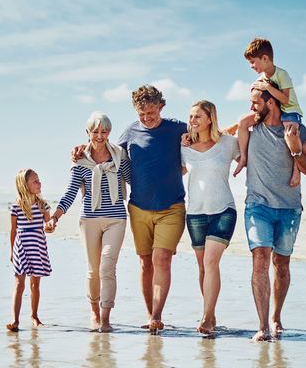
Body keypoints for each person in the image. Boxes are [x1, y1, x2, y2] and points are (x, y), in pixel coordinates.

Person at [72, 85, 187, 333]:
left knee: (162, 258)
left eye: (151, 113)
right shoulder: (130, 133)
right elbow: (104, 151)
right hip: (139, 208)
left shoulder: (177, 128)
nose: (147, 118)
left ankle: (157, 315)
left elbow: (207, 134)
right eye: (142, 114)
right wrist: (81, 149)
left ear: (161, 107)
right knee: (145, 262)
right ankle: (149, 313)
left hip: (172, 206)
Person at [242, 86, 306, 341]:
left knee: (281, 264)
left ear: (271, 103)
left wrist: (294, 148)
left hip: (289, 208)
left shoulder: (296, 130)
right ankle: (262, 326)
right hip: (257, 206)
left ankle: (276, 317)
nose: (252, 107)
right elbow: (218, 133)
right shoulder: (250, 127)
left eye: (255, 103)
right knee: (260, 257)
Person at [51, 112, 132, 333]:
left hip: (116, 218)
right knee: (93, 270)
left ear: (109, 132)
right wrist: (55, 216)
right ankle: (94, 312)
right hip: (89, 220)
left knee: (108, 266)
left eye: (104, 131)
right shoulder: (80, 160)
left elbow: (134, 180)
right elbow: (70, 193)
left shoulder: (119, 155)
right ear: (87, 133)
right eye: (95, 131)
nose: (99, 135)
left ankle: (105, 318)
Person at [181, 100, 239, 336]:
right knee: (203, 268)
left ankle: (206, 317)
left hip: (223, 210)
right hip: (195, 213)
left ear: (210, 119)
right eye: (191, 116)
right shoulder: (184, 147)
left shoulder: (228, 143)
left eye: (197, 117)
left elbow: (249, 148)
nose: (192, 121)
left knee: (210, 263)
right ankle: (211, 314)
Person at [233, 37, 306, 188]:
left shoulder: (282, 74)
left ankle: (296, 171)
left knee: (290, 137)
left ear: (265, 58)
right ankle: (243, 158)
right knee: (243, 122)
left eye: (253, 62)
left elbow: (285, 100)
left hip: (290, 112)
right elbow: (262, 96)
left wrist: (267, 88)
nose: (251, 66)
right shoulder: (262, 78)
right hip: (274, 110)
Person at [7, 169, 54, 332]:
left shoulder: (43, 205)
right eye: (35, 181)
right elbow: (13, 230)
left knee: (35, 284)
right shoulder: (16, 206)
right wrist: (12, 251)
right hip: (21, 247)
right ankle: (15, 320)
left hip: (38, 246)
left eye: (39, 180)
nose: (39, 183)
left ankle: (34, 316)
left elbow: (49, 227)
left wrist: (49, 226)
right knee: (19, 284)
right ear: (24, 185)